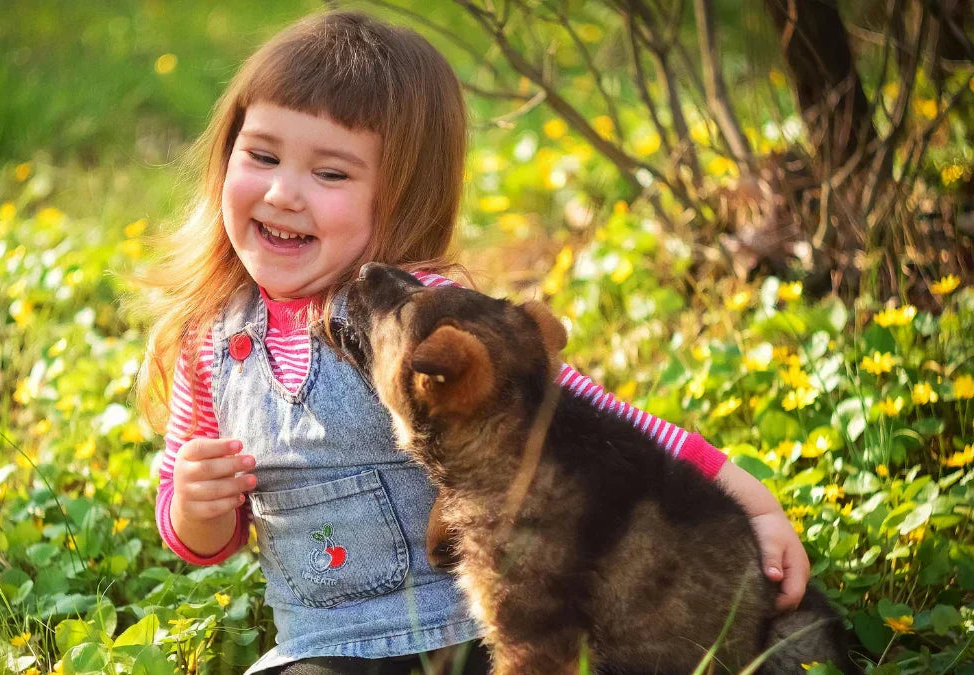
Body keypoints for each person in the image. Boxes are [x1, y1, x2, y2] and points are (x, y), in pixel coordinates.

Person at [133, 11, 808, 675]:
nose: (282, 192)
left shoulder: (427, 320)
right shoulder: (209, 339)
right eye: (262, 156)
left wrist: (750, 497)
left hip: (479, 633)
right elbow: (200, 534)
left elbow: (591, 420)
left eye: (331, 173)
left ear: (401, 196)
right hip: (325, 648)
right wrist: (196, 506)